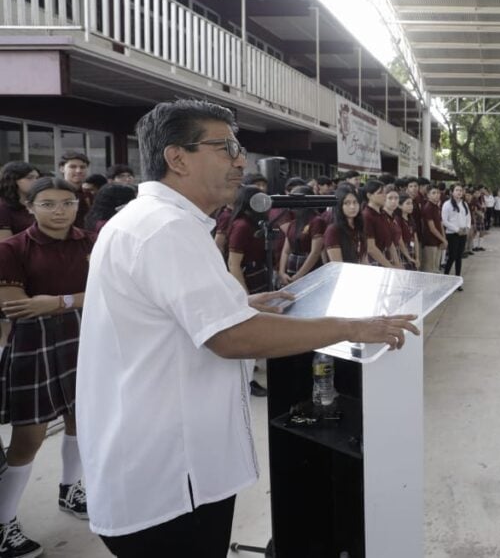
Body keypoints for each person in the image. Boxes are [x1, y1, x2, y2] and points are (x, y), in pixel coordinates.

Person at [76, 99, 418, 558]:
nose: (241, 160)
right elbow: (233, 338)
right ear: (177, 158)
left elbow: (172, 313)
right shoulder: (166, 229)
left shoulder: (149, 222)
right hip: (172, 477)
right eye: (226, 148)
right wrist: (353, 326)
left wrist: (237, 301)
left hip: (156, 463)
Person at [0, 177, 94, 557]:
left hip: (84, 338)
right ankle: (3, 523)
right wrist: (76, 301)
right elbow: (15, 305)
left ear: (78, 205)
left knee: (80, 421)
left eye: (67, 203)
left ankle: (69, 491)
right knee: (29, 437)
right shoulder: (11, 248)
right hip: (33, 343)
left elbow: (111, 292)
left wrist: (56, 301)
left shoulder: (91, 242)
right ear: (30, 208)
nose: (59, 211)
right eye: (48, 204)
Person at [277, 186, 325, 286]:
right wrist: (282, 272)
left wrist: (298, 276)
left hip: (310, 270)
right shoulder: (293, 223)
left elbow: (315, 252)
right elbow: (286, 251)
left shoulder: (317, 221)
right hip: (292, 268)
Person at [324, 185, 365, 264]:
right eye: (347, 203)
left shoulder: (359, 226)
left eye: (355, 202)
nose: (352, 207)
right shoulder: (333, 230)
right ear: (339, 205)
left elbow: (364, 258)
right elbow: (337, 265)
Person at [361, 180, 397, 268]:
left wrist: (397, 262)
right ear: (369, 195)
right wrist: (389, 266)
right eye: (380, 193)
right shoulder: (367, 216)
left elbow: (390, 242)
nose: (384, 196)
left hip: (386, 258)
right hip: (375, 261)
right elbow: (371, 248)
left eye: (385, 192)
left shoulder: (382, 214)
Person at [0, 162, 39, 241]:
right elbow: (5, 244)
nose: (36, 181)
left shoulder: (38, 203)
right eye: (30, 178)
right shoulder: (3, 207)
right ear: (14, 180)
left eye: (37, 178)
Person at [441, 184, 470, 289]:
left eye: (460, 190)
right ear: (452, 192)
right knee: (452, 256)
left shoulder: (465, 204)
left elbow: (468, 217)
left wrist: (467, 227)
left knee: (459, 257)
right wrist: (457, 229)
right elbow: (445, 221)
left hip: (463, 233)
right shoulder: (447, 204)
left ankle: (458, 281)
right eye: (457, 190)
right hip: (452, 234)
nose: (459, 192)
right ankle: (445, 279)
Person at [58, 152, 92, 229]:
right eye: (73, 167)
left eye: (83, 167)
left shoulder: (88, 195)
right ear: (62, 169)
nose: (78, 171)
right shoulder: (55, 194)